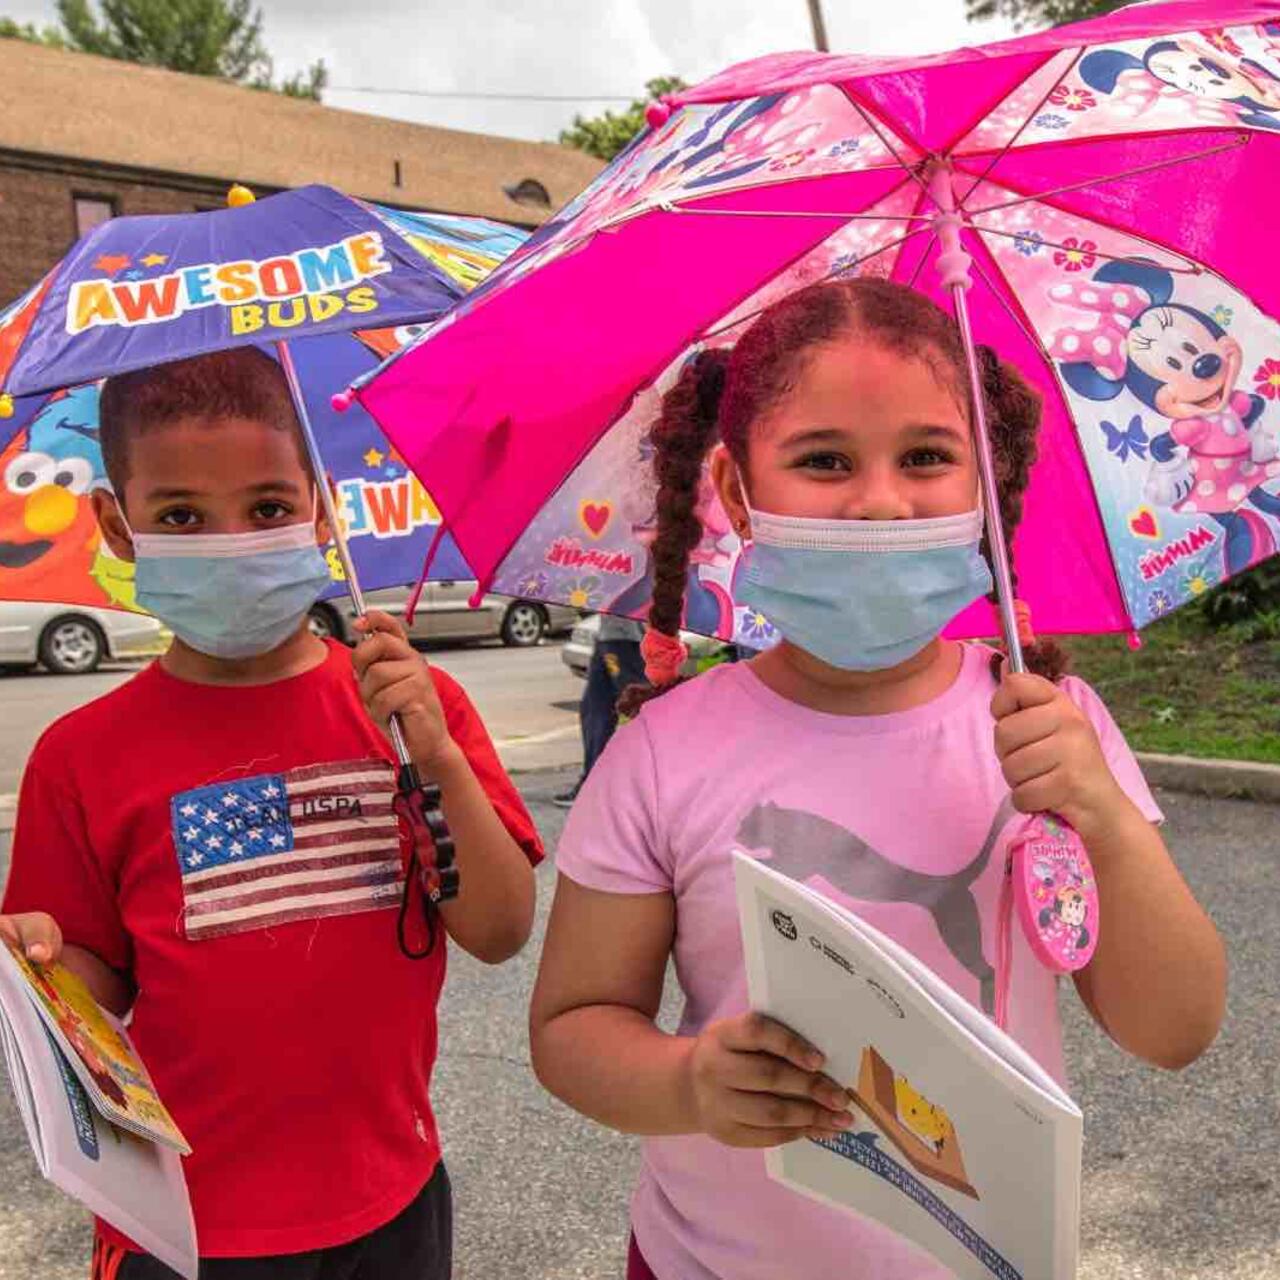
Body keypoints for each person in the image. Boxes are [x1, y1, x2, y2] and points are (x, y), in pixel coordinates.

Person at [529, 279, 1226, 1280]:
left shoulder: (1050, 729)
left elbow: (1175, 1026)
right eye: (822, 460)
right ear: (735, 492)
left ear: (983, 482)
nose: (880, 498)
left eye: (927, 456)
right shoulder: (661, 752)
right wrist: (687, 1082)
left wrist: (1101, 814)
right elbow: (570, 1026)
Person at [0, 348, 542, 1279]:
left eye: (267, 508)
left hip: (391, 1194)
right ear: (117, 526)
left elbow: (498, 928)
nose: (229, 541)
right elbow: (95, 986)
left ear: (322, 508)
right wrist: (42, 966)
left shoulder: (419, 709)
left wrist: (435, 752)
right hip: (179, 1223)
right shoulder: (81, 756)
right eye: (179, 515)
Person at [553, 613, 647, 808]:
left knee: (639, 711)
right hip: (607, 635)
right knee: (594, 711)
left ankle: (648, 787)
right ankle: (593, 783)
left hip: (627, 637)